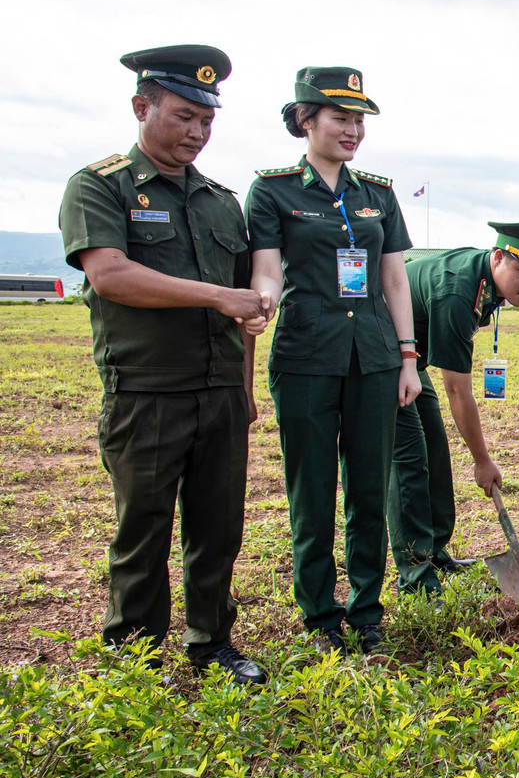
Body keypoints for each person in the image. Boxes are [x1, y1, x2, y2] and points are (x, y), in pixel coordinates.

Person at [58, 45, 268, 684]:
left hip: (219, 394)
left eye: (207, 122)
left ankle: (213, 645)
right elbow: (112, 275)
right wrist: (217, 296)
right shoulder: (99, 185)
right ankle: (135, 662)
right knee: (142, 532)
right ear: (141, 106)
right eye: (183, 117)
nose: (197, 134)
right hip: (146, 393)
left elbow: (244, 308)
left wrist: (245, 383)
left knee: (218, 529)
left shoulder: (218, 201)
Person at [247, 67, 421, 655]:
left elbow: (394, 280)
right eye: (340, 118)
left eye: (359, 120)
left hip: (373, 356)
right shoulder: (272, 191)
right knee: (313, 492)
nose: (353, 130)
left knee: (370, 488)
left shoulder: (377, 193)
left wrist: (407, 357)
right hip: (305, 356)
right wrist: (262, 299)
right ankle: (320, 615)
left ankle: (367, 611)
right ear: (305, 120)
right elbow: (268, 268)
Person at [388, 222, 519, 591]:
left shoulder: (485, 282)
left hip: (413, 358)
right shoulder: (459, 292)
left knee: (435, 451)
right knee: (410, 460)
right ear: (497, 258)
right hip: (382, 352)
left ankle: (437, 554)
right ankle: (415, 576)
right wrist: (482, 460)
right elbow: (458, 391)